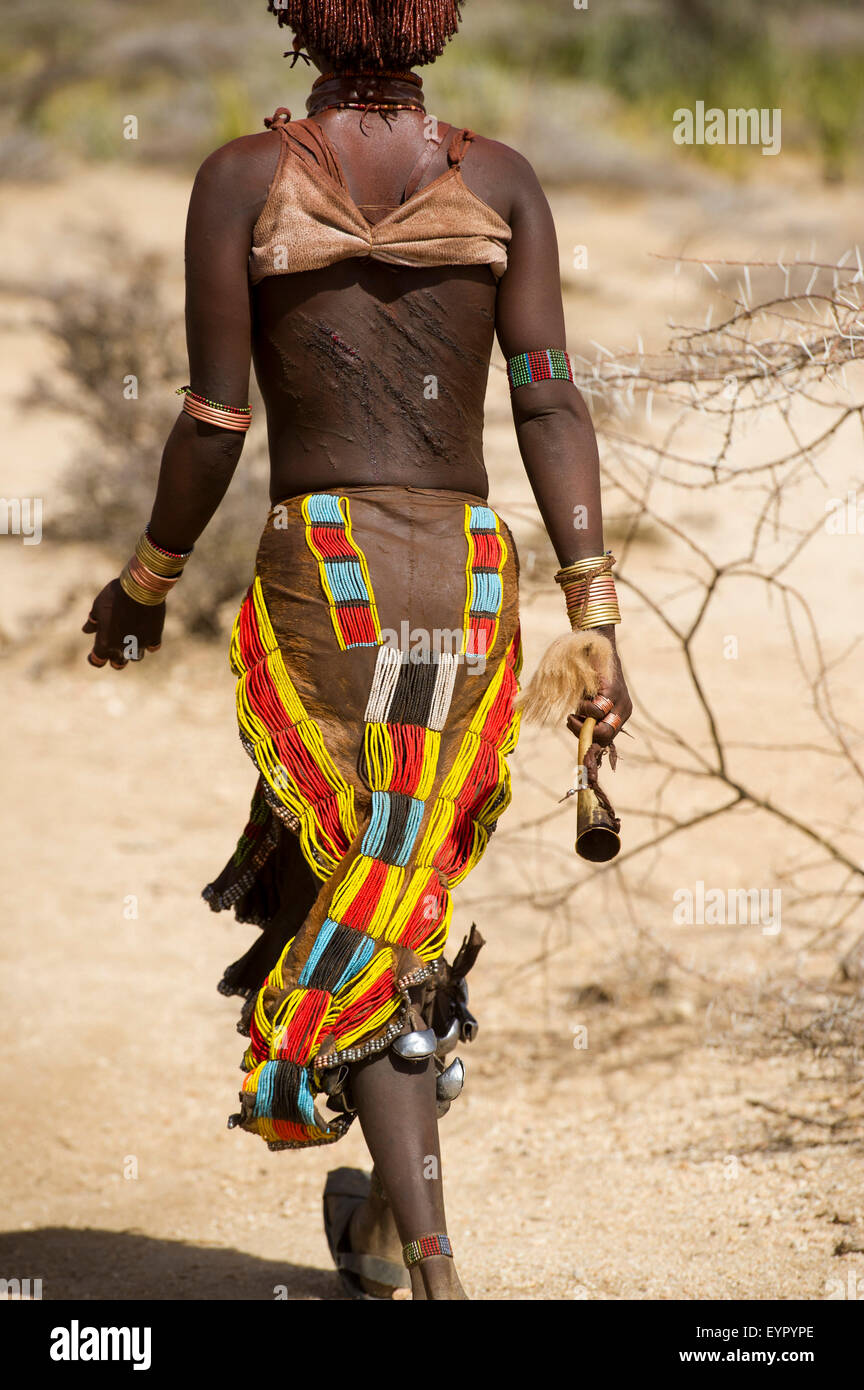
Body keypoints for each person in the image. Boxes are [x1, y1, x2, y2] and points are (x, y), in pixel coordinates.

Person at [82, 0, 632, 1301]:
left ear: (303, 16)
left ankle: (434, 1267)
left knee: (364, 893)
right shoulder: (499, 178)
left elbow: (216, 421)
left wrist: (147, 577)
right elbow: (548, 394)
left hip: (328, 581)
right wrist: (593, 615)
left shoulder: (239, 182)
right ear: (434, 19)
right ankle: (387, 1224)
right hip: (468, 570)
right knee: (400, 888)